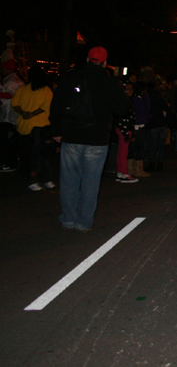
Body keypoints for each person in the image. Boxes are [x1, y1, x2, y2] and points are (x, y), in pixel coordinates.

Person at [50, 46, 130, 231]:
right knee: (91, 181)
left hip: (71, 135)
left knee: (69, 179)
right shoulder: (110, 83)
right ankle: (84, 221)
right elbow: (123, 109)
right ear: (104, 62)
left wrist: (55, 130)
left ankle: (68, 218)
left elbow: (56, 105)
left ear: (87, 59)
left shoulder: (71, 77)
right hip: (97, 137)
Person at [11, 66, 55, 190]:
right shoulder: (46, 90)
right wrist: (33, 114)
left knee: (29, 155)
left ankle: (32, 179)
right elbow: (46, 107)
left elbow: (14, 103)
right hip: (40, 127)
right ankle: (43, 179)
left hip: (24, 127)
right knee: (43, 156)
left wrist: (24, 113)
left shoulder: (22, 89)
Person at [111, 82, 138, 183]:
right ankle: (123, 173)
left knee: (122, 151)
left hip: (126, 129)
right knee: (123, 152)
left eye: (131, 89)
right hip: (124, 129)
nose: (130, 91)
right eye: (128, 89)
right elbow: (121, 119)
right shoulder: (123, 102)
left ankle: (121, 172)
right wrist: (126, 132)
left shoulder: (126, 101)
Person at [0, 59, 24, 172]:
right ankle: (12, 161)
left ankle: (9, 163)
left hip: (8, 115)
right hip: (14, 115)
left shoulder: (10, 81)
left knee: (7, 141)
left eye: (3, 68)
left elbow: (10, 95)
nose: (2, 70)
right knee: (12, 140)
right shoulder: (16, 80)